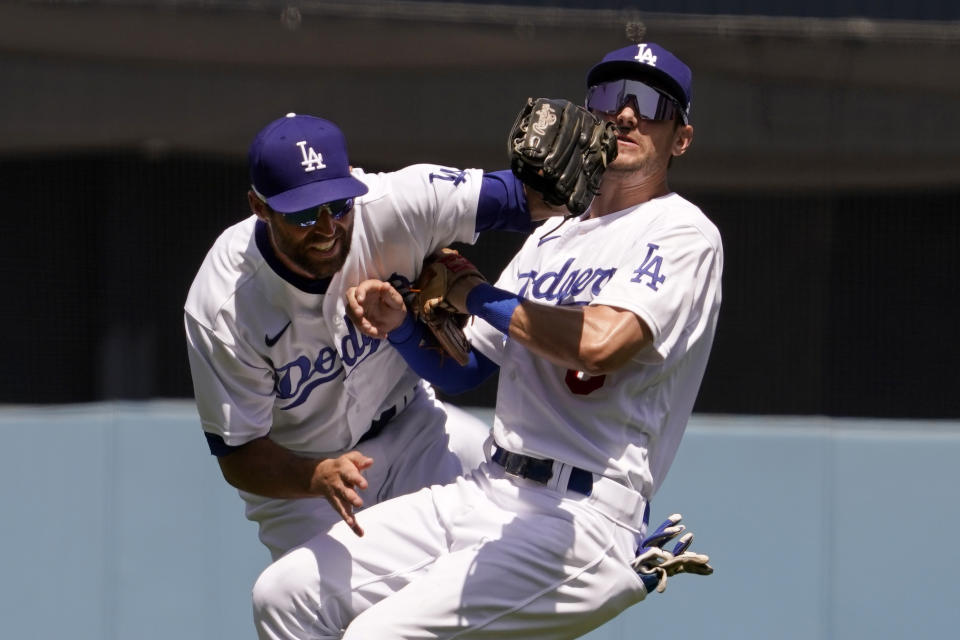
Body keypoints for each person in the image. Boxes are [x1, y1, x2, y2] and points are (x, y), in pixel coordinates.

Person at [251, 41, 722, 639]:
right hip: (489, 491)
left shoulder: (683, 232)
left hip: (580, 516)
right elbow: (465, 367)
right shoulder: (555, 236)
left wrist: (471, 291)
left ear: (681, 137)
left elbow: (602, 343)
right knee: (285, 595)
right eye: (609, 96)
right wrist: (401, 327)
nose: (626, 113)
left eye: (652, 104)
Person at [184, 112, 556, 560]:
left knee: (466, 577)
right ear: (259, 207)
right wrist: (315, 476)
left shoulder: (398, 203)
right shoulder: (225, 302)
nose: (326, 227)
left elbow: (529, 198)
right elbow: (239, 455)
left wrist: (620, 166)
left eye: (338, 205)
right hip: (305, 481)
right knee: (305, 609)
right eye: (303, 213)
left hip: (410, 430)